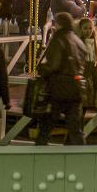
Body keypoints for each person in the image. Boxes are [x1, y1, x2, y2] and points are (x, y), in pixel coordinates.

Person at [36, 12, 89, 145]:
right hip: (76, 88)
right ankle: (82, 157)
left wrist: (42, 69)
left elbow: (54, 64)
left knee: (46, 126)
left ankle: (37, 155)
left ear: (58, 24)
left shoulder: (58, 39)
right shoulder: (78, 41)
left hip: (58, 88)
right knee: (76, 129)